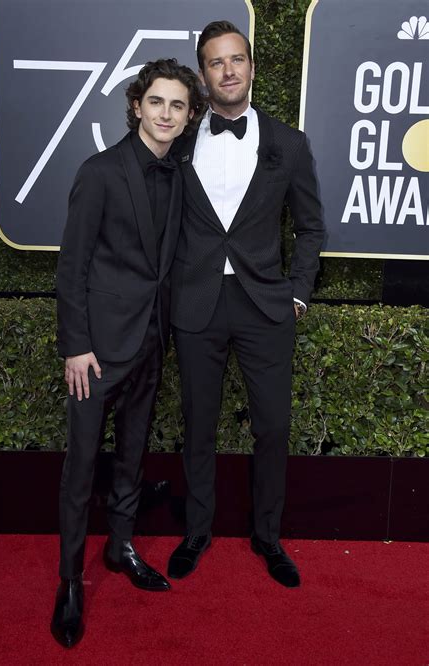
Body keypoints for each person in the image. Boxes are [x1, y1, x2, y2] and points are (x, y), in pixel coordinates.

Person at [51, 58, 204, 648]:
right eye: (157, 102)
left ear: (189, 116)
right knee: (81, 467)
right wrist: (77, 346)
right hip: (97, 353)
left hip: (150, 342)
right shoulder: (101, 172)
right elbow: (73, 269)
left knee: (133, 453)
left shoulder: (181, 173)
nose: (166, 114)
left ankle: (120, 547)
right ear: (137, 105)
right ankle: (69, 581)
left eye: (178, 105)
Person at [167, 21, 325, 587]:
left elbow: (311, 228)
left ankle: (268, 535)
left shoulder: (288, 142)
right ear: (203, 74)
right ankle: (197, 531)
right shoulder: (179, 142)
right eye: (215, 62)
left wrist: (299, 293)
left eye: (237, 60)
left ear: (252, 68)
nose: (228, 70)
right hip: (197, 304)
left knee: (273, 428)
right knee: (199, 424)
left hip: (265, 305)